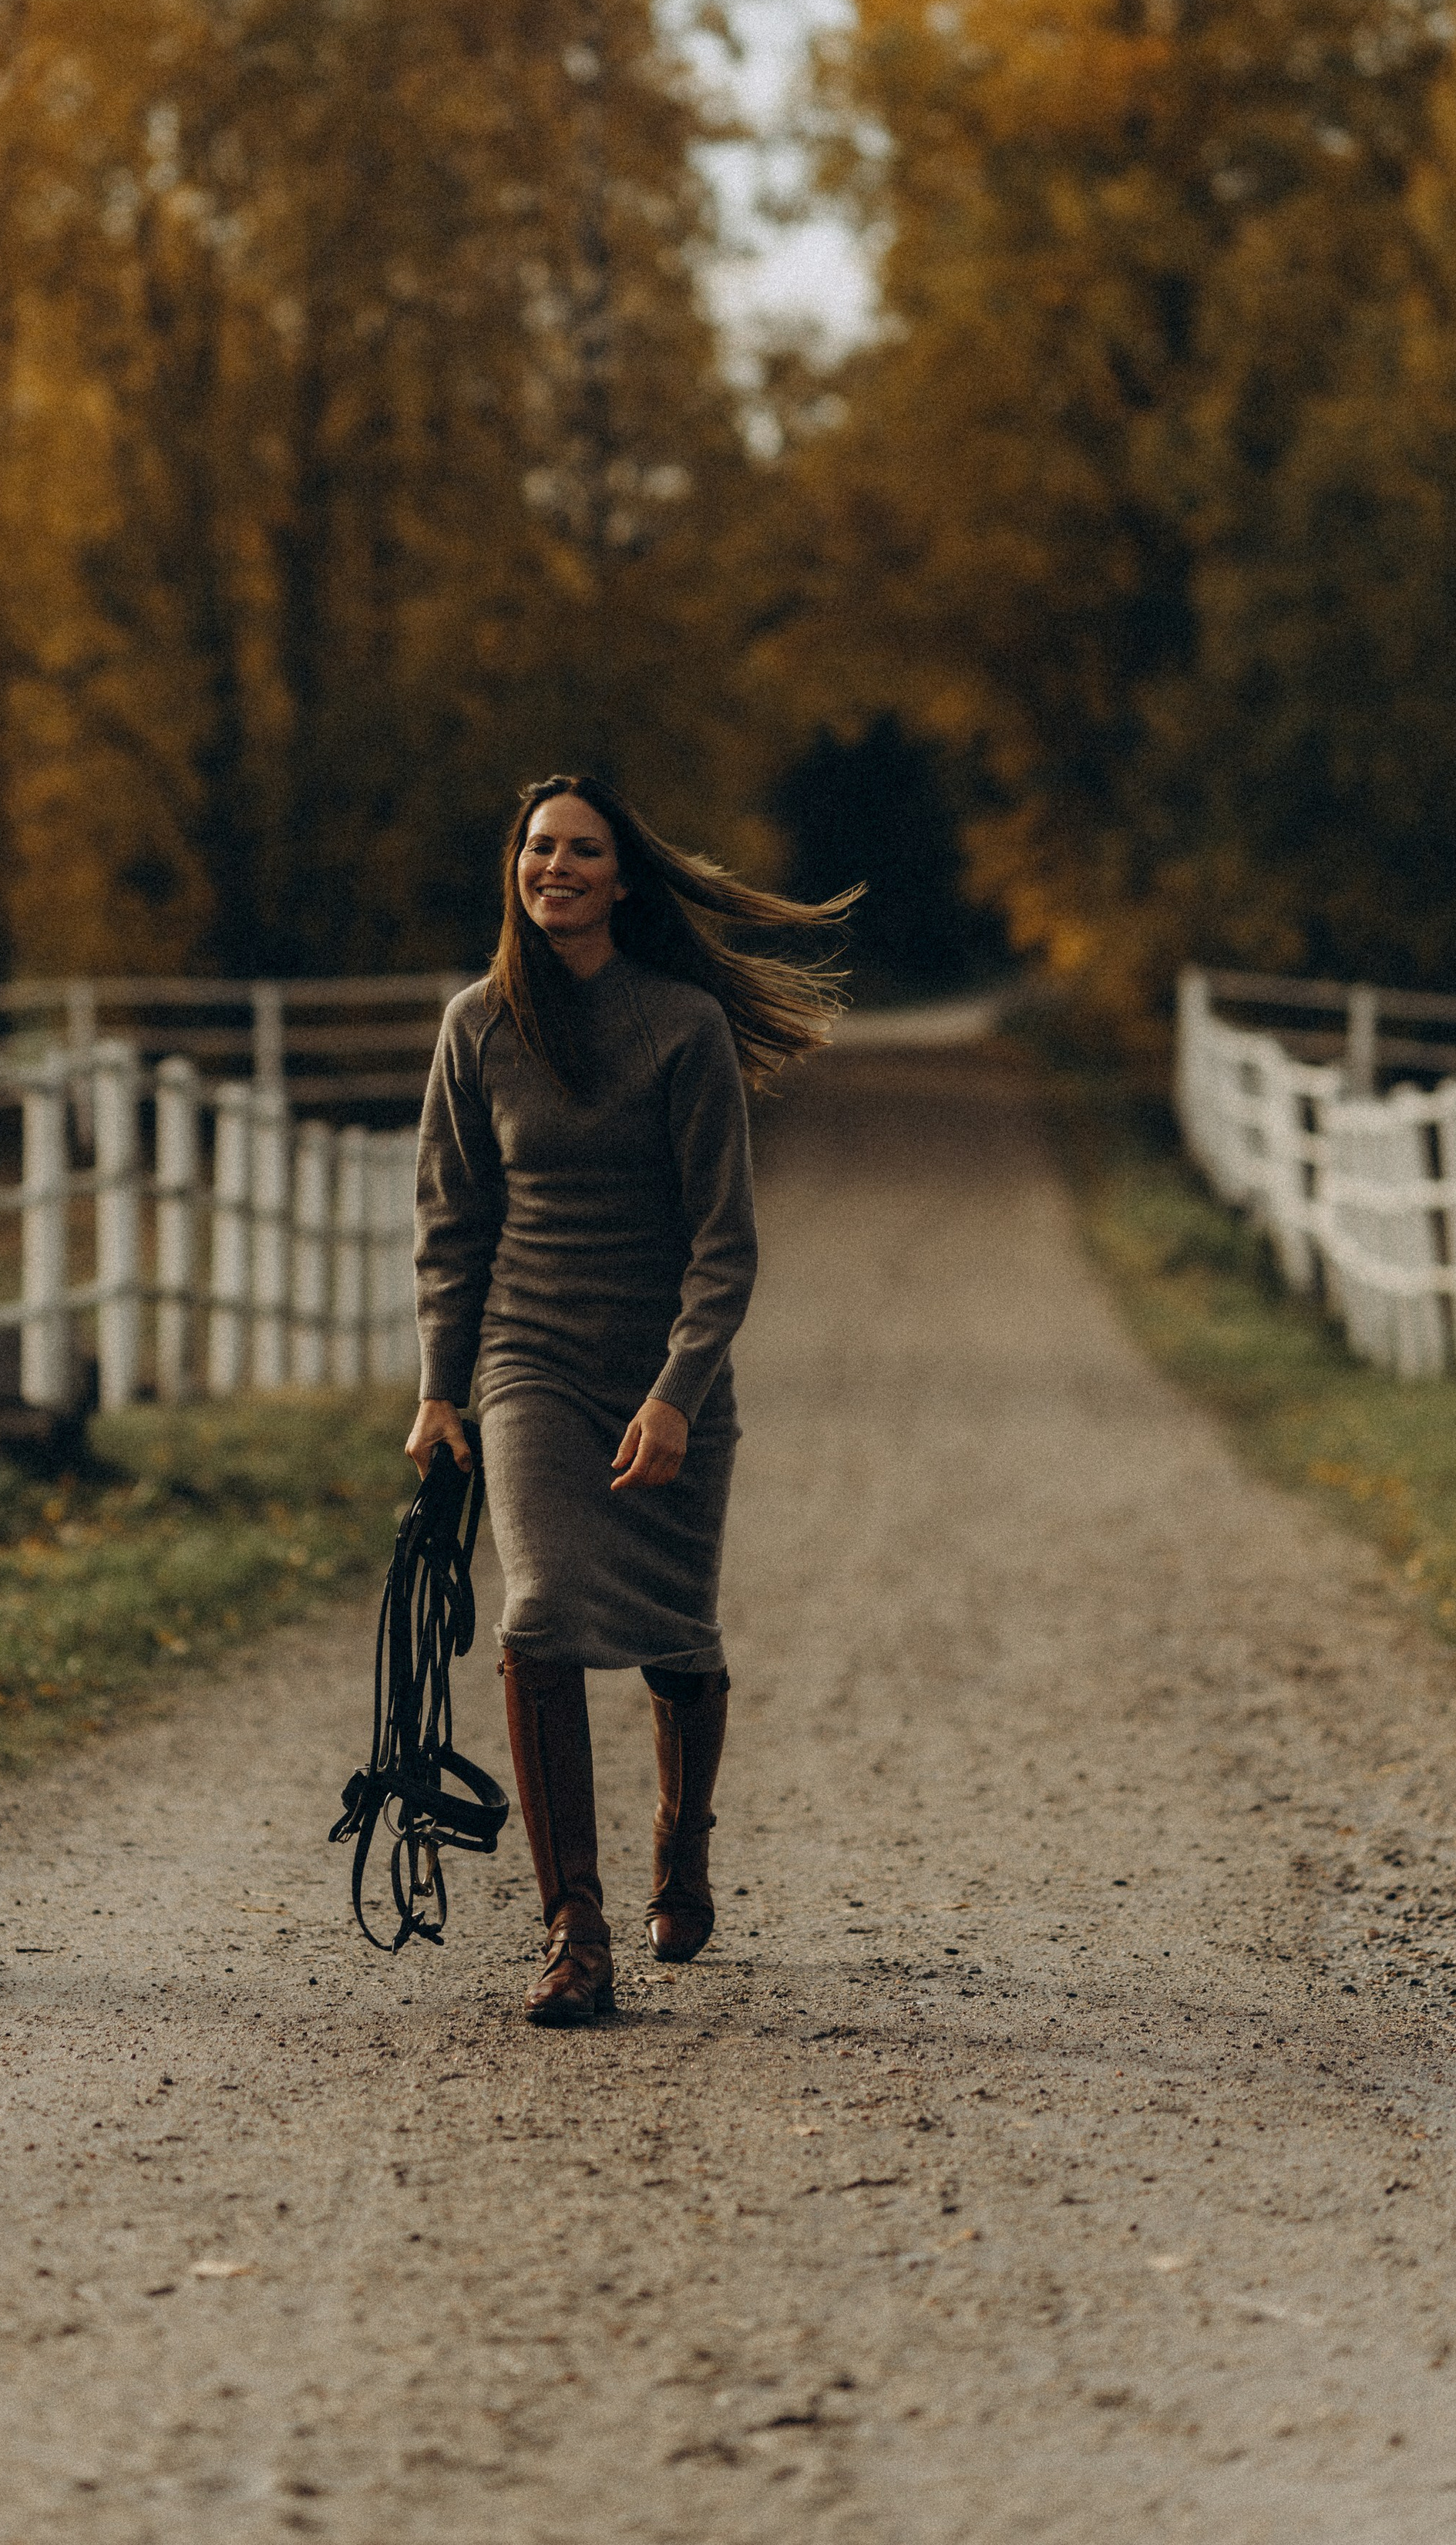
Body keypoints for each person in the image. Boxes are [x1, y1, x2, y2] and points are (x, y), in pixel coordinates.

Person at [407, 774, 856, 2027]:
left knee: (679, 1640)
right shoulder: (476, 1026)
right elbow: (454, 1222)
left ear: (621, 878)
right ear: (518, 870)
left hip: (665, 1372)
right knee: (538, 1613)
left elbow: (725, 1243)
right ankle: (575, 1932)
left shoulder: (683, 1026)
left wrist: (675, 1393)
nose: (555, 867)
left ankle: (683, 1846)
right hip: (530, 1363)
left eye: (582, 850)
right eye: (537, 848)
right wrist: (442, 1387)